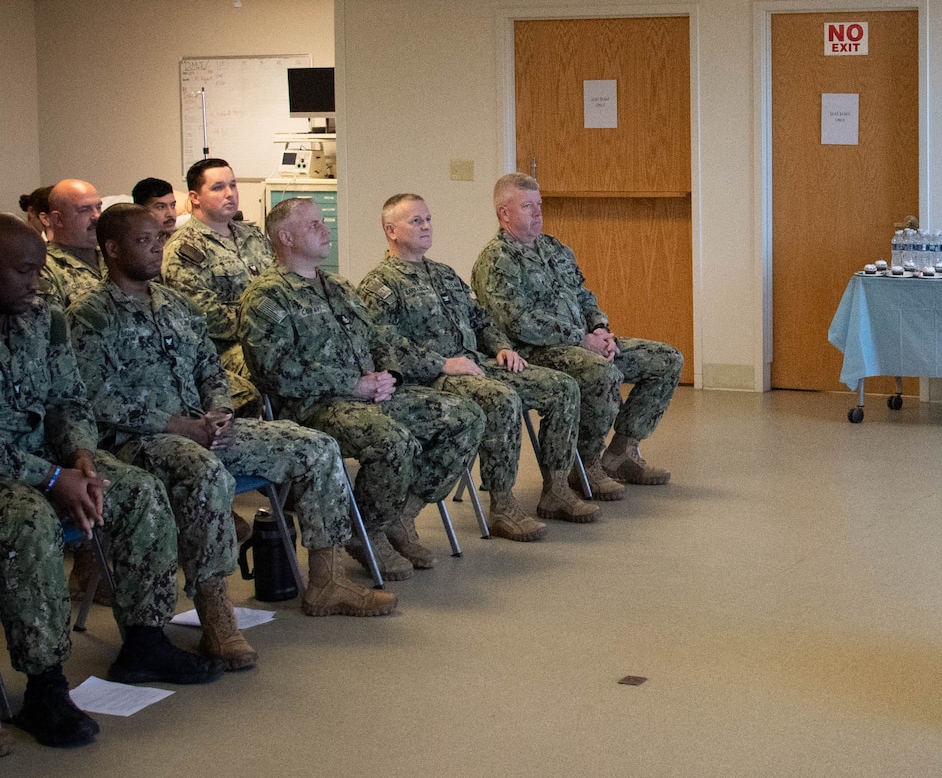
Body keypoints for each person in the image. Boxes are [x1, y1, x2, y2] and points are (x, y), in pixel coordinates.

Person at [71, 204, 397, 668]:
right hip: (141, 441)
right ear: (112, 249)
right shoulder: (89, 316)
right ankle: (216, 613)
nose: (157, 248)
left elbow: (211, 367)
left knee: (316, 446)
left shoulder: (174, 305)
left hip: (206, 428)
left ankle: (325, 581)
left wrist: (219, 412)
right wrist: (182, 427)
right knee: (203, 475)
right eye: (144, 241)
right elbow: (95, 398)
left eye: (159, 239)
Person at [0, 216, 222, 750]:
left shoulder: (41, 320)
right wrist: (52, 477)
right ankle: (46, 684)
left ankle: (145, 640)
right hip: (13, 474)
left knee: (139, 490)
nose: (37, 281)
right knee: (28, 524)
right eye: (24, 270)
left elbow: (70, 401)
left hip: (51, 460)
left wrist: (80, 459)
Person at [239, 197, 486, 580]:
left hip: (367, 394)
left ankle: (397, 514)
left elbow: (378, 340)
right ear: (285, 237)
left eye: (324, 223)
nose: (326, 231)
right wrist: (352, 383)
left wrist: (392, 376)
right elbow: (275, 372)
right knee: (393, 441)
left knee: (464, 416)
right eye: (314, 225)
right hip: (312, 406)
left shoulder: (337, 286)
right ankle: (366, 531)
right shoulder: (267, 296)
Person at [359, 194, 592, 537]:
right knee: (501, 399)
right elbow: (386, 347)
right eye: (416, 221)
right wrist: (443, 363)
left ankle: (556, 487)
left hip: (475, 363)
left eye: (428, 219)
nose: (426, 227)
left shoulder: (442, 273)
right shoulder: (381, 285)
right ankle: (502, 504)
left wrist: (501, 347)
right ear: (391, 231)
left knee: (561, 387)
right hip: (431, 376)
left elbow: (480, 319)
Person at [473, 173, 683, 495]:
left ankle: (621, 452)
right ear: (504, 214)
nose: (538, 213)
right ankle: (583, 464)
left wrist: (600, 329)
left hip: (583, 342)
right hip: (532, 354)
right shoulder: (496, 261)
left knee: (665, 359)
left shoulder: (554, 248)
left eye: (539, 205)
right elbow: (519, 322)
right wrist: (582, 339)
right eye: (528, 207)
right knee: (601, 372)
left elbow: (583, 293)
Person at [161, 159, 272, 414]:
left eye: (233, 185)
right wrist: (264, 322)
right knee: (279, 366)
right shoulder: (183, 249)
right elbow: (202, 314)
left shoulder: (251, 235)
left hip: (267, 335)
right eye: (218, 187)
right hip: (220, 349)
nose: (230, 194)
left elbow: (279, 284)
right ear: (195, 197)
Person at [39, 179, 104, 310]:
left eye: (98, 207)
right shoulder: (43, 268)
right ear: (58, 219)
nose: (96, 216)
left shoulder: (115, 256)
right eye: (84, 209)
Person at [131, 177, 180, 244]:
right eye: (161, 207)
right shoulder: (132, 244)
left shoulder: (183, 238)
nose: (170, 214)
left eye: (172, 205)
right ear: (141, 210)